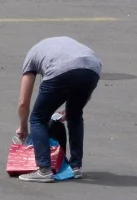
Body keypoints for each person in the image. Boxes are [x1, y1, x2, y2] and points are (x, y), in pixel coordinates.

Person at [14, 37, 101, 182]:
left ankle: (44, 170)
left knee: (37, 119)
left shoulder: (31, 56)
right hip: (93, 66)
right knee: (75, 115)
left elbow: (23, 102)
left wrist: (23, 127)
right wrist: (72, 110)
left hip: (61, 69)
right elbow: (85, 89)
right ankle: (75, 167)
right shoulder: (59, 45)